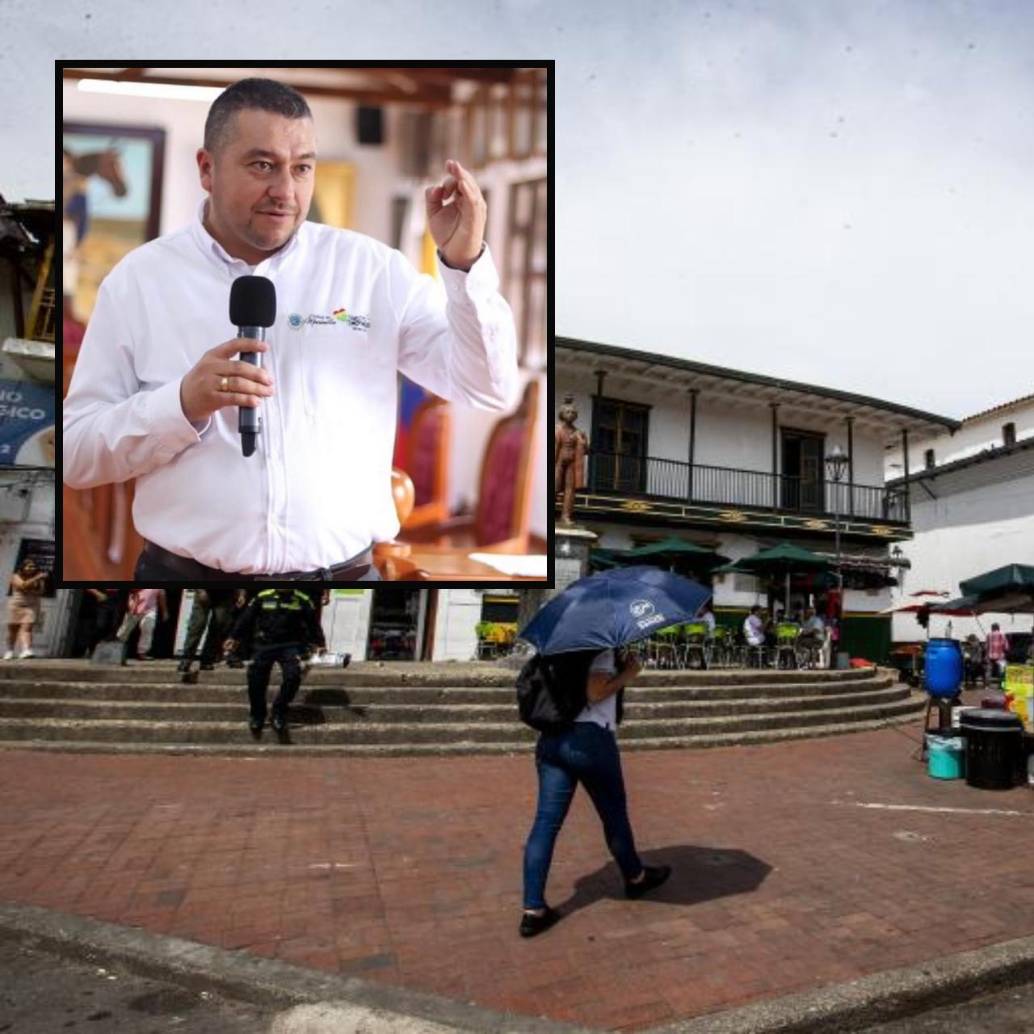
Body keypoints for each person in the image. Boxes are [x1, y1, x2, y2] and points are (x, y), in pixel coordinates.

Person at [63, 77, 518, 581]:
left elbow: (488, 386)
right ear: (207, 169)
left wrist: (464, 264)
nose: (285, 191)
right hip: (184, 584)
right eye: (262, 165)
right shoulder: (139, 281)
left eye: (302, 168)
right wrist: (180, 404)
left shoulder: (371, 272)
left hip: (345, 585)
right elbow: (76, 453)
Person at [520, 647, 672, 938]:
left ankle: (533, 909)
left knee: (545, 823)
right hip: (589, 740)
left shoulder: (553, 649)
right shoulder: (597, 647)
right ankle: (635, 877)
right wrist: (628, 673)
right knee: (614, 813)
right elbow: (595, 691)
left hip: (552, 739)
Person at [224, 587, 326, 736]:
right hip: (265, 643)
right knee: (255, 678)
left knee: (293, 676)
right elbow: (246, 618)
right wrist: (233, 637)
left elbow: (313, 624)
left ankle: (279, 712)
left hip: (291, 645)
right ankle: (257, 715)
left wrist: (320, 643)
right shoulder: (263, 596)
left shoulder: (302, 599)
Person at [178, 588, 244, 674]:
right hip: (205, 590)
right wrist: (200, 590)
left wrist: (241, 593)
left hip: (225, 594)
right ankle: (186, 659)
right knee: (197, 625)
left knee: (218, 626)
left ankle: (207, 660)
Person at [5, 559, 47, 660]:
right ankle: (10, 650)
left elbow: (40, 592)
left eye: (33, 566)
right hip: (16, 605)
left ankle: (26, 650)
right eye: (29, 566)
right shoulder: (15, 576)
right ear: (23, 567)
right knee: (13, 630)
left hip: (31, 606)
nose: (31, 568)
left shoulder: (39, 579)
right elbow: (22, 585)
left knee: (27, 628)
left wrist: (38, 581)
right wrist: (37, 578)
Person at [116, 588, 167, 660]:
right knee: (126, 629)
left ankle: (142, 652)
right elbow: (132, 593)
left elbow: (162, 597)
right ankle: (118, 647)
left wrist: (164, 612)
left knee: (148, 628)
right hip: (135, 606)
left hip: (150, 610)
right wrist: (133, 606)